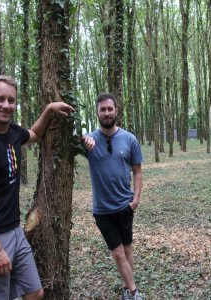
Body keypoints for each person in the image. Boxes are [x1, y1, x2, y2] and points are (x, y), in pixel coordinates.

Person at [0, 75, 75, 300]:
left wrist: (49, 109)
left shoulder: (12, 132)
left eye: (11, 100)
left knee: (35, 292)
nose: (6, 105)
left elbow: (34, 134)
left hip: (14, 230)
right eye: (0, 99)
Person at [85, 93, 144, 300]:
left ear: (116, 110)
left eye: (110, 109)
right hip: (102, 210)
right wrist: (82, 139)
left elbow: (137, 171)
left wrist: (135, 200)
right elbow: (68, 144)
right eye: (103, 110)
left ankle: (126, 288)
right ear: (97, 112)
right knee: (117, 252)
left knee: (127, 248)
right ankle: (134, 292)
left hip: (125, 206)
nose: (107, 113)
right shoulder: (89, 141)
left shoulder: (129, 139)